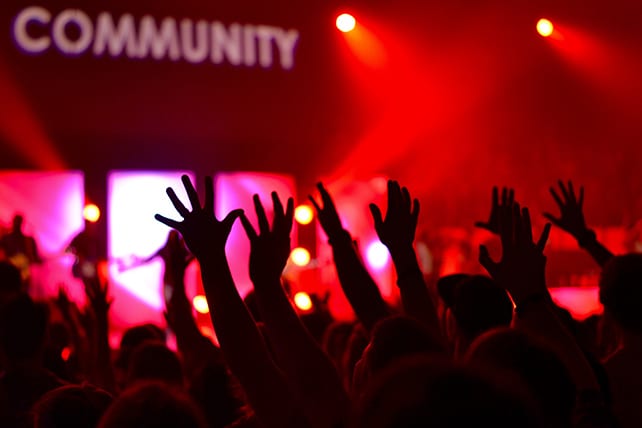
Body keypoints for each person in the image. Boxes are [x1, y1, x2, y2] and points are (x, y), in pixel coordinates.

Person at [0, 214, 42, 285]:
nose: (17, 224)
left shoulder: (29, 241)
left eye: (18, 222)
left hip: (21, 279)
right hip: (8, 276)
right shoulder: (5, 238)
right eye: (16, 222)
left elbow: (35, 258)